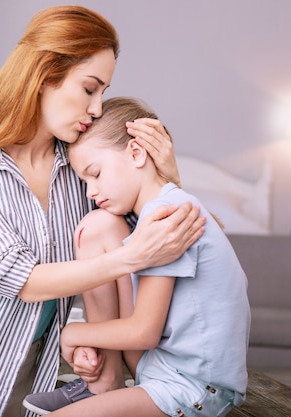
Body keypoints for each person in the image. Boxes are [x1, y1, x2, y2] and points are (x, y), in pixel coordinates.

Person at [0, 6, 206, 417]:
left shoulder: (85, 174)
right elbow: (21, 280)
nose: (98, 108)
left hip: (26, 381)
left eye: (103, 92)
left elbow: (160, 242)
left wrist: (167, 179)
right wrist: (132, 258)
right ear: (44, 76)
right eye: (89, 88)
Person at [22, 97, 250, 417]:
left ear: (136, 153)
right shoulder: (156, 210)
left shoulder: (163, 216)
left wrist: (72, 334)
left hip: (194, 387)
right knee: (97, 227)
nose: (90, 191)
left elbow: (144, 331)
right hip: (158, 367)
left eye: (95, 173)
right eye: (84, 181)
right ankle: (103, 382)